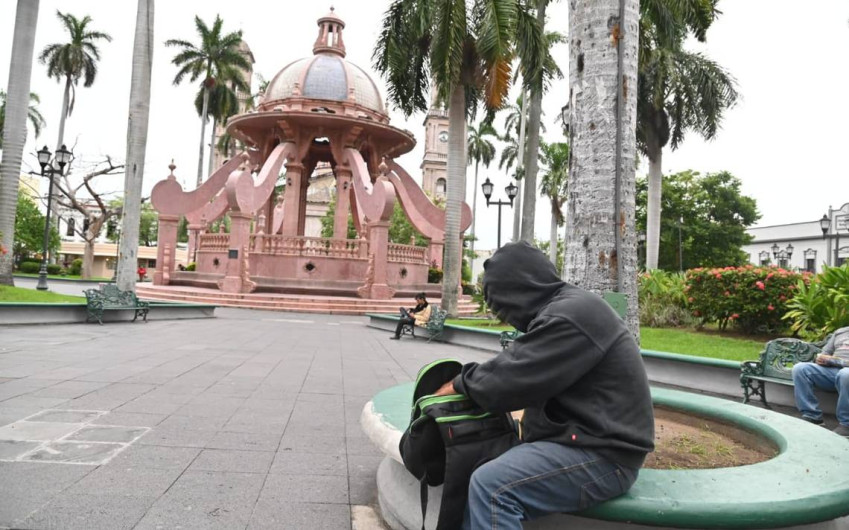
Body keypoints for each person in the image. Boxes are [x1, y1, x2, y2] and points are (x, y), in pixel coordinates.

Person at [433, 242, 655, 529]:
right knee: (478, 467)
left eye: (499, 303)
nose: (502, 316)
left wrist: (458, 384)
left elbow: (508, 380)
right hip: (582, 441)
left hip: (605, 457)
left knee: (492, 487)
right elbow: (519, 368)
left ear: (519, 288)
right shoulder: (564, 308)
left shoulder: (571, 315)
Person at [791, 326, 849, 436]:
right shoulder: (840, 332)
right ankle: (812, 416)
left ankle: (847, 424)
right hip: (834, 372)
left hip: (846, 374)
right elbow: (825, 353)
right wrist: (822, 359)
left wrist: (841, 363)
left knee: (845, 374)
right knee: (800, 369)